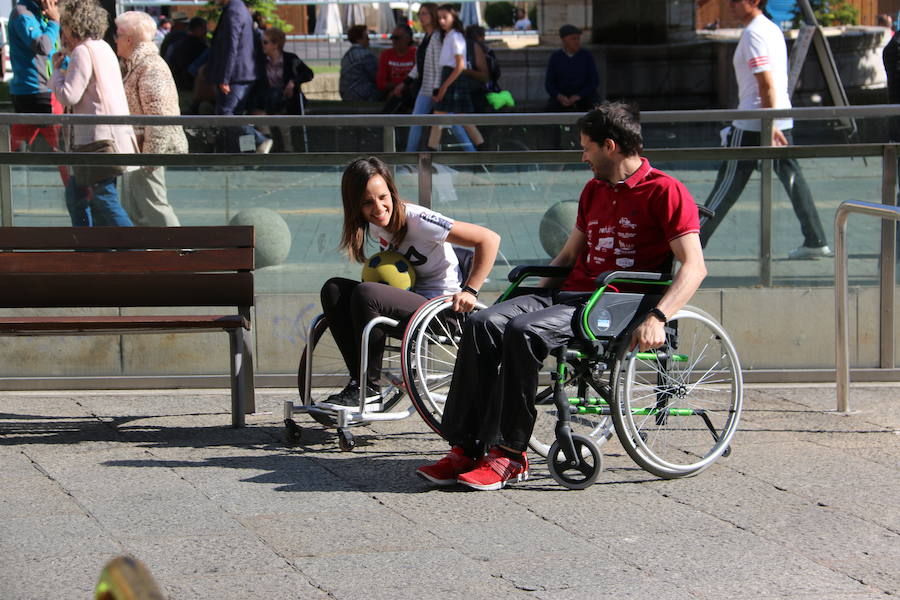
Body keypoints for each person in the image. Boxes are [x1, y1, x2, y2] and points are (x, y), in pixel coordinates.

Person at [416, 102, 707, 491]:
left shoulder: (665, 191)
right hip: (571, 295)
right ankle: (466, 448)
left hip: (615, 305)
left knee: (524, 331)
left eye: (586, 147)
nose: (582, 155)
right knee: (485, 323)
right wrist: (526, 299)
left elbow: (694, 266)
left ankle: (510, 454)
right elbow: (569, 256)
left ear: (610, 146)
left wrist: (659, 316)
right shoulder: (592, 191)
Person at [320, 156, 500, 405]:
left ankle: (369, 388)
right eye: (367, 202)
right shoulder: (376, 226)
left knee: (367, 293)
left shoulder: (418, 219)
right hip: (414, 304)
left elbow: (489, 239)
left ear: (392, 192)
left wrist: (470, 290)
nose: (378, 208)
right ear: (355, 206)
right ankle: (357, 382)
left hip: (443, 311)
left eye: (383, 197)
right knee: (333, 289)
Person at [700, 0, 831, 259]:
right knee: (793, 180)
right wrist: (773, 121)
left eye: (736, 1)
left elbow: (765, 83)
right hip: (777, 118)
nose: (730, 6)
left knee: (727, 184)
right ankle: (815, 238)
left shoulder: (754, 33)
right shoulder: (770, 29)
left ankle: (695, 240)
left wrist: (767, 123)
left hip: (756, 120)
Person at [50, 0, 137, 227]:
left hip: (95, 142)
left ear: (73, 24)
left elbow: (69, 96)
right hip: (111, 138)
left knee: (102, 197)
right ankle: (93, 249)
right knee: (80, 195)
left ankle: (136, 249)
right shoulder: (103, 47)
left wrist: (57, 74)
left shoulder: (82, 51)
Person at [115, 11, 187, 226]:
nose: (115, 40)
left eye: (117, 35)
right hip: (138, 151)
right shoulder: (135, 65)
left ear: (129, 39)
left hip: (147, 153)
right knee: (138, 208)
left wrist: (149, 159)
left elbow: (160, 117)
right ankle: (147, 254)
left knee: (154, 206)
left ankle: (181, 252)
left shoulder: (150, 66)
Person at [7, 0, 66, 177]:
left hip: (37, 90)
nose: (56, 3)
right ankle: (78, 196)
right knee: (63, 148)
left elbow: (51, 51)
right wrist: (55, 21)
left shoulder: (39, 13)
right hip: (37, 92)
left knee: (13, 147)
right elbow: (43, 46)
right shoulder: (23, 13)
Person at [207, 0, 271, 153]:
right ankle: (248, 152)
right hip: (241, 73)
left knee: (226, 115)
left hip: (235, 75)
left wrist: (225, 78)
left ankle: (259, 141)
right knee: (237, 118)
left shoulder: (234, 10)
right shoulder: (239, 8)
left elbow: (231, 46)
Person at [426, 3, 482, 152]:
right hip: (452, 78)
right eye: (439, 18)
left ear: (453, 17)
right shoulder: (450, 36)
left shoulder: (455, 36)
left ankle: (430, 154)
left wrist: (444, 87)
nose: (441, 21)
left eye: (445, 17)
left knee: (440, 118)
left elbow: (460, 65)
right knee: (461, 119)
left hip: (453, 79)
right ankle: (480, 150)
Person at [249, 26, 314, 151]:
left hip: (286, 103)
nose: (262, 45)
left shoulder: (290, 59)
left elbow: (308, 74)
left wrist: (293, 82)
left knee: (282, 119)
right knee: (256, 117)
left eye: (265, 42)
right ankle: (265, 143)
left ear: (276, 44)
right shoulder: (261, 62)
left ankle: (288, 150)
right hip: (266, 103)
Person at [396, 2, 443, 152]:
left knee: (418, 121)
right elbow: (421, 64)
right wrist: (406, 82)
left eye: (424, 14)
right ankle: (473, 153)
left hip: (432, 88)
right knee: (451, 123)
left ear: (433, 15)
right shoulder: (428, 36)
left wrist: (436, 90)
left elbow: (438, 66)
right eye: (420, 14)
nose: (421, 17)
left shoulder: (436, 37)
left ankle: (409, 156)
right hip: (427, 87)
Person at [544, 24, 599, 112]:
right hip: (562, 98)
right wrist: (559, 96)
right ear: (564, 40)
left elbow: (594, 81)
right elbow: (549, 83)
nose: (577, 42)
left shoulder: (586, 56)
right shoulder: (556, 57)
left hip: (584, 97)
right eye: (573, 39)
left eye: (578, 38)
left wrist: (579, 95)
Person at [377, 24, 416, 113]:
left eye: (398, 38)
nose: (394, 41)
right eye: (393, 38)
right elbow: (381, 83)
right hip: (391, 92)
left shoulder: (415, 54)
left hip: (410, 92)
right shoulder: (386, 55)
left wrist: (402, 86)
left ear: (408, 39)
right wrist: (397, 87)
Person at [339, 25, 380, 102]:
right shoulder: (366, 55)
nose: (369, 39)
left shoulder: (347, 55)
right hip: (362, 95)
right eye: (366, 37)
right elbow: (376, 76)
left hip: (346, 94)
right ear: (359, 39)